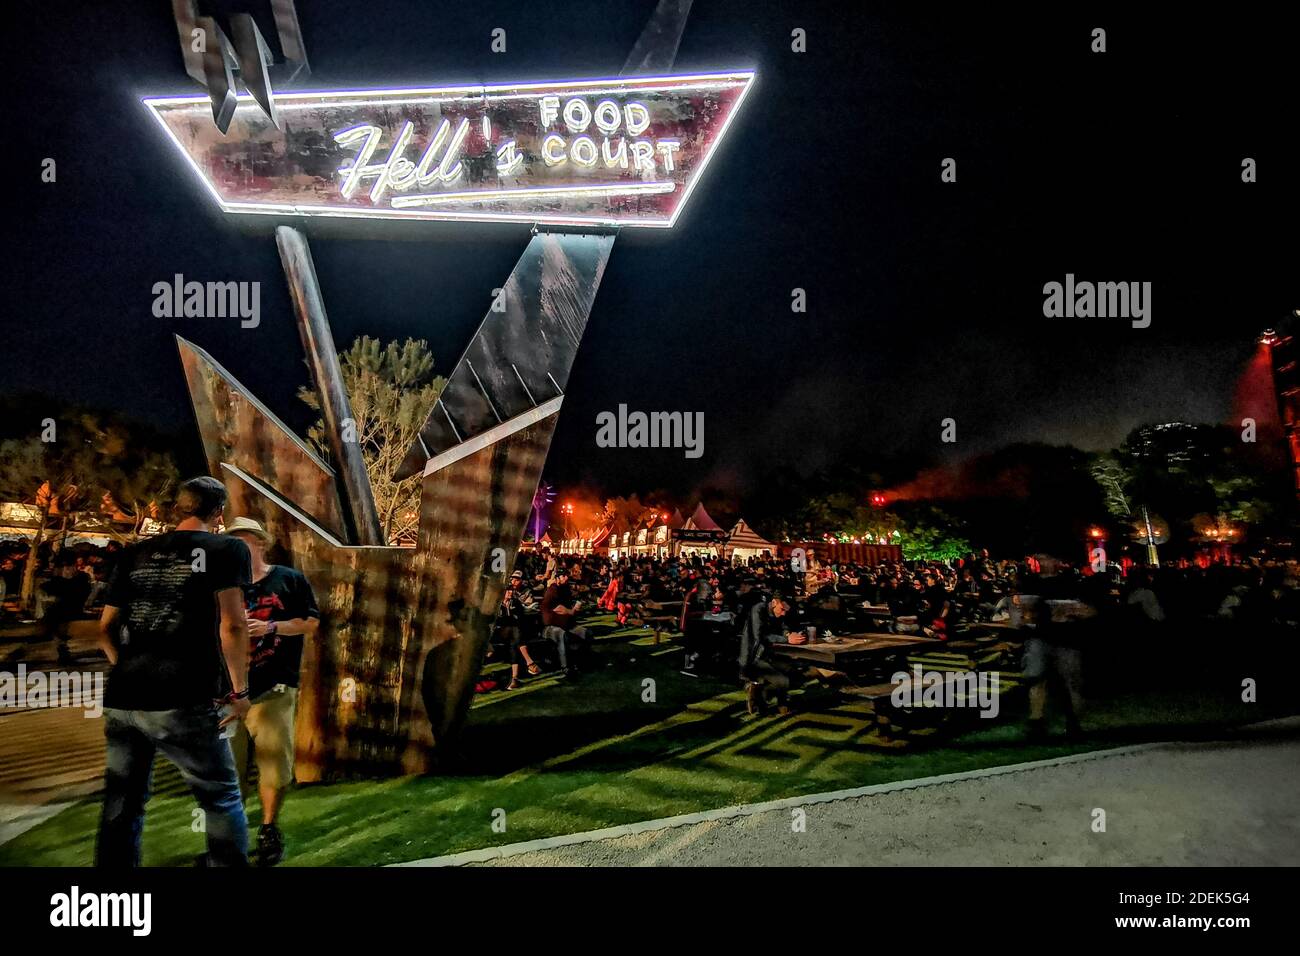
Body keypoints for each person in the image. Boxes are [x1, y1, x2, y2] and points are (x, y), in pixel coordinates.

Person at [95, 476, 252, 867]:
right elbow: (232, 625)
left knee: (122, 800)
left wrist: (130, 669)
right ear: (219, 512)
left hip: (124, 697)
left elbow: (105, 630)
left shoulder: (135, 553)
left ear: (178, 508)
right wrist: (240, 691)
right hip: (183, 696)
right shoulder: (227, 548)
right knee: (220, 795)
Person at [225, 517, 319, 867]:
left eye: (244, 542)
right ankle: (229, 839)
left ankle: (268, 828)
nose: (237, 550)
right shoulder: (220, 586)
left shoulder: (289, 580)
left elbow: (311, 622)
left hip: (272, 688)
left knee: (274, 765)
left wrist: (271, 625)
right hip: (227, 693)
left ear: (260, 543)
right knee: (227, 772)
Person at [1019, 554, 1095, 742]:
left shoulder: (1071, 582)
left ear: (1057, 561)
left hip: (1066, 638)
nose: (1045, 563)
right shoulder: (1031, 582)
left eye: (1049, 558)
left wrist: (1073, 610)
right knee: (1037, 679)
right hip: (1041, 636)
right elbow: (1024, 611)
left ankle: (1073, 723)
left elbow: (1090, 610)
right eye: (1041, 559)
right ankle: (1036, 722)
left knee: (1071, 682)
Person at [738, 592, 794, 716]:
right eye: (782, 610)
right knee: (784, 682)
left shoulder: (780, 612)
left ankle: (780, 703)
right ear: (774, 602)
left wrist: (787, 634)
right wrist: (786, 640)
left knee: (792, 670)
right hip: (754, 657)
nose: (784, 613)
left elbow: (784, 626)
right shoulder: (758, 610)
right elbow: (759, 636)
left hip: (771, 654)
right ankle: (758, 695)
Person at [40, 555, 92, 664]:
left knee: (58, 624)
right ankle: (63, 650)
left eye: (68, 568)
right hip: (62, 610)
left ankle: (63, 650)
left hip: (70, 609)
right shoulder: (60, 580)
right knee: (57, 625)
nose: (66, 570)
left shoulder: (80, 579)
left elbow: (77, 592)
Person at [496, 569, 542, 689]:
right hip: (500, 631)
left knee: (514, 644)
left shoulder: (515, 602)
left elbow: (521, 616)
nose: (510, 593)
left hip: (513, 633)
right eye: (508, 591)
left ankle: (515, 679)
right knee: (515, 633)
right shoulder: (497, 604)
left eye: (511, 591)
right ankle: (530, 663)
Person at [540, 568, 589, 675]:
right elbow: (558, 608)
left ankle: (582, 661)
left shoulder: (564, 588)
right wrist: (572, 611)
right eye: (564, 576)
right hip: (551, 625)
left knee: (585, 632)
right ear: (557, 578)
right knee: (561, 634)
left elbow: (569, 604)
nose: (566, 578)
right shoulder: (552, 590)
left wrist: (576, 607)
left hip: (565, 623)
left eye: (567, 575)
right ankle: (565, 666)